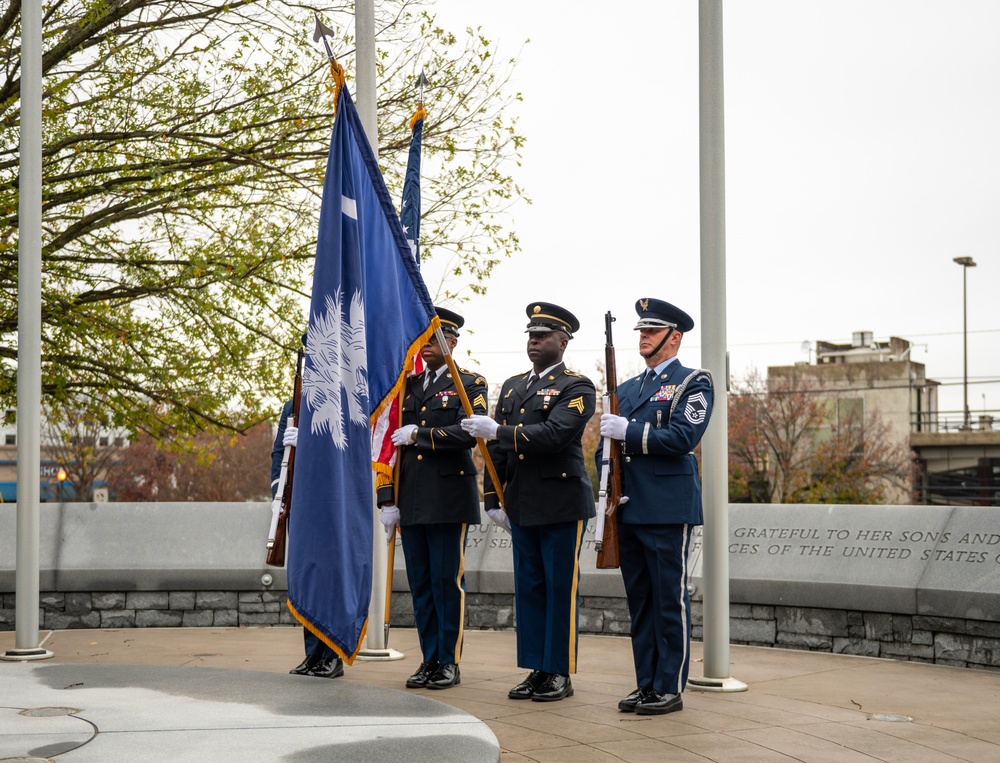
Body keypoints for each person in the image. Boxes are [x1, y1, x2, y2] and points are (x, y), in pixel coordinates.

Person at [461, 302, 596, 702]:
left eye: (543, 335)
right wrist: (491, 499)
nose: (534, 341)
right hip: (521, 503)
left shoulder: (577, 386)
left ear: (563, 341)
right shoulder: (515, 385)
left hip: (560, 502)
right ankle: (536, 668)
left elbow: (556, 434)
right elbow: (496, 454)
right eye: (531, 335)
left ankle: (559, 672)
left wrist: (499, 429)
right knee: (531, 589)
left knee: (558, 589)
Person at [599, 298, 714, 716]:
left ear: (674, 337)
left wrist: (629, 429)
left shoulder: (694, 382)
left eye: (652, 330)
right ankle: (646, 683)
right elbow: (606, 450)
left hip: (667, 508)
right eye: (641, 331)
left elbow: (684, 437)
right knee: (641, 600)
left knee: (669, 599)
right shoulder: (627, 389)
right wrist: (605, 496)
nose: (643, 337)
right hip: (628, 506)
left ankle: (669, 685)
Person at [376, 307, 488, 691]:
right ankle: (428, 659)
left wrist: (420, 436)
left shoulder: (468, 382)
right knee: (421, 584)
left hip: (448, 496)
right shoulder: (406, 386)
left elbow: (470, 433)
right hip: (412, 497)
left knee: (446, 582)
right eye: (423, 340)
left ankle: (448, 661)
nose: (426, 347)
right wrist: (387, 499)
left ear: (452, 342)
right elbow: (388, 446)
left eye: (435, 339)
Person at [271, 338, 344, 680]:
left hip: (330, 504)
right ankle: (312, 654)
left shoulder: (343, 403)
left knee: (328, 579)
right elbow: (278, 453)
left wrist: (311, 445)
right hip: (299, 502)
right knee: (305, 580)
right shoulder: (293, 405)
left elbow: (345, 454)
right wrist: (278, 491)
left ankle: (333, 655)